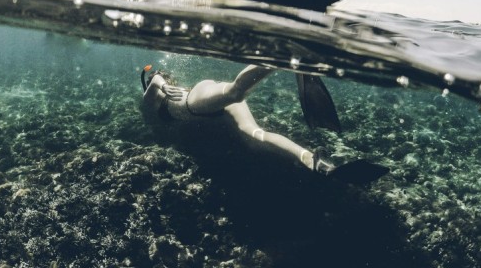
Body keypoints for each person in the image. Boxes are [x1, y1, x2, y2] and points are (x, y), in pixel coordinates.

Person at [140, 64, 389, 182]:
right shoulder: (160, 102)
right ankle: (316, 163)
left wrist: (162, 84)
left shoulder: (151, 102)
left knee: (235, 92)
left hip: (194, 102)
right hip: (207, 107)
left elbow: (155, 80)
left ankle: (278, 57)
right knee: (254, 135)